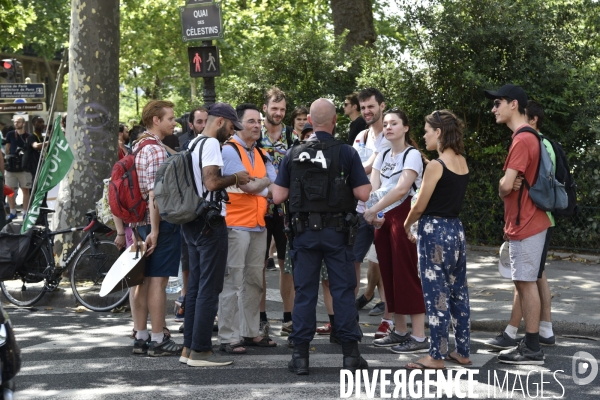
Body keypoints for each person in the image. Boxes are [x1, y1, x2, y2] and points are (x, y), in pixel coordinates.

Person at [272, 98, 371, 375]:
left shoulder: (294, 153)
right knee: (342, 291)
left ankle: (300, 357)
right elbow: (363, 194)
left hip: (303, 235)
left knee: (304, 293)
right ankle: (351, 355)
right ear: (335, 120)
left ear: (310, 122)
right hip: (338, 234)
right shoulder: (347, 153)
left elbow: (279, 195)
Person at [180, 102, 252, 367]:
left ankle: (188, 348)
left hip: (191, 221)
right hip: (210, 222)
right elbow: (212, 182)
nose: (232, 133)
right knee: (210, 288)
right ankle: (200, 351)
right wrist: (236, 178)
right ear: (220, 121)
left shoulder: (193, 143)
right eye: (232, 127)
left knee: (196, 288)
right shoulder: (210, 144)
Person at [485, 84, 550, 365]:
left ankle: (532, 347)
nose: (493, 109)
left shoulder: (522, 139)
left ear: (514, 104)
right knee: (526, 282)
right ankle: (532, 342)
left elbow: (506, 186)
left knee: (525, 284)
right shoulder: (528, 137)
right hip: (527, 221)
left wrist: (502, 186)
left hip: (527, 223)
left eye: (497, 103)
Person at [403, 109, 471, 370]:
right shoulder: (462, 162)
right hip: (456, 230)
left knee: (436, 296)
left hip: (434, 233)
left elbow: (419, 206)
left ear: (439, 132)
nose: (424, 134)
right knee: (459, 293)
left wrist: (407, 225)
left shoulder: (436, 165)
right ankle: (462, 351)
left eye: (427, 130)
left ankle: (436, 356)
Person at [364, 108, 427, 354]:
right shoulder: (383, 155)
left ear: (406, 128)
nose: (388, 127)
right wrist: (376, 213)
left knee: (406, 273)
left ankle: (419, 336)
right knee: (388, 274)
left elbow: (402, 189)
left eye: (394, 123)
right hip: (383, 218)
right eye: (386, 123)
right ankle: (400, 331)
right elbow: (374, 188)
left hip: (404, 218)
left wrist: (374, 211)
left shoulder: (411, 155)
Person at [217, 103, 277, 355]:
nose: (257, 125)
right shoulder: (229, 150)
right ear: (239, 124)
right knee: (232, 281)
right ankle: (228, 336)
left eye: (259, 121)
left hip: (257, 225)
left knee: (254, 281)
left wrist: (258, 183)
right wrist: (262, 183)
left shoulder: (261, 153)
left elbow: (275, 187)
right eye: (251, 121)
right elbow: (250, 188)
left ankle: (250, 332)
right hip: (235, 224)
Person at [130, 100, 183, 357]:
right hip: (157, 222)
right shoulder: (156, 151)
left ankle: (141, 337)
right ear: (156, 120)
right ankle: (159, 339)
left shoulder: (139, 145)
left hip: (138, 222)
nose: (174, 122)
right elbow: (155, 194)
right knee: (158, 283)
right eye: (170, 118)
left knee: (140, 281)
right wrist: (156, 230)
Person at [352, 88, 391, 329]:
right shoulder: (360, 137)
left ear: (382, 106)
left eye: (371, 106)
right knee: (353, 261)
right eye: (363, 107)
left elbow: (365, 167)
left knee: (386, 263)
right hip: (360, 209)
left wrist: (348, 173)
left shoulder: (390, 134)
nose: (367, 111)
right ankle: (347, 319)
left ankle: (389, 319)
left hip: (385, 210)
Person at [258, 87, 294, 337]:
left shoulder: (292, 136)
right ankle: (260, 318)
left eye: (282, 110)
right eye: (274, 109)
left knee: (286, 264)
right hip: (258, 210)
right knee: (257, 265)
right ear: (265, 109)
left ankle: (289, 318)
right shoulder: (252, 134)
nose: (279, 113)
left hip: (286, 210)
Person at [175, 106, 209, 330]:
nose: (203, 125)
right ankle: (186, 305)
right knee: (189, 263)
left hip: (209, 213)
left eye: (206, 121)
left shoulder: (216, 144)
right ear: (191, 124)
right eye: (199, 122)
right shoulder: (184, 144)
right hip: (190, 212)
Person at [4, 116, 31, 219]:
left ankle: (25, 213)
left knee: (25, 190)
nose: (16, 124)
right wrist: (8, 160)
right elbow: (7, 149)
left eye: (18, 122)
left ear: (24, 123)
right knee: (9, 190)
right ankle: (12, 212)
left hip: (24, 168)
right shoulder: (10, 134)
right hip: (11, 168)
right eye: (15, 122)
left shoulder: (29, 136)